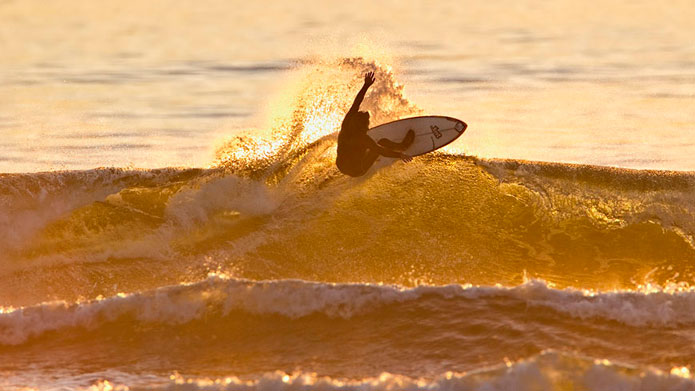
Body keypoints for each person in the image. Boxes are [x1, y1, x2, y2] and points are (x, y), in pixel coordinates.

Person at [336, 71, 414, 177]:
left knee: (361, 148)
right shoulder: (362, 138)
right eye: (367, 124)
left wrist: (366, 85)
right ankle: (402, 146)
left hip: (341, 166)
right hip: (357, 171)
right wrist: (400, 155)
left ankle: (366, 156)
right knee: (382, 142)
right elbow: (381, 150)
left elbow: (356, 103)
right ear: (363, 125)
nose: (368, 125)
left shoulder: (346, 124)